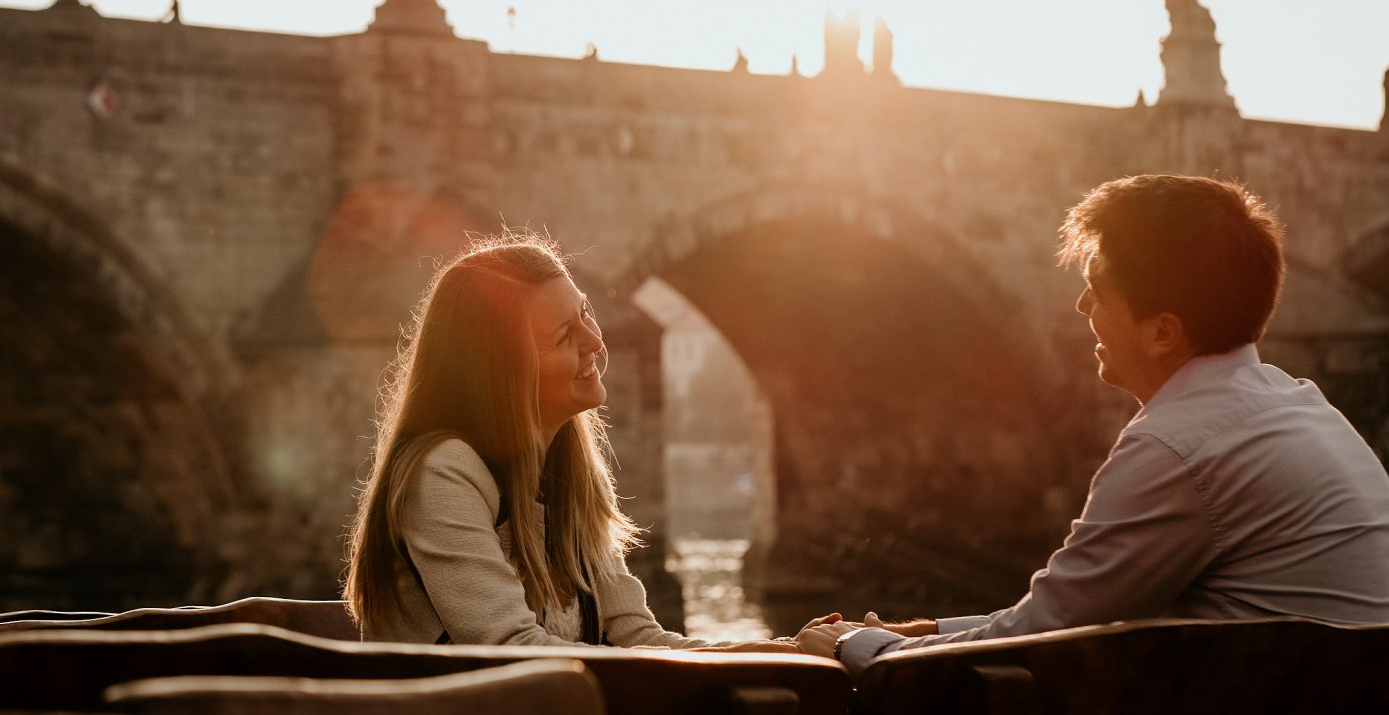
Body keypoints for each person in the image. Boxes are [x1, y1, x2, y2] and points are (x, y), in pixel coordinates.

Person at [799, 174, 1389, 674]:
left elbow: (1043, 634)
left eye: (1099, 289)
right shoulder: (1301, 405)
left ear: (1162, 332)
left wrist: (857, 646)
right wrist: (922, 629)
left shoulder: (1176, 447)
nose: (1083, 306)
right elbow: (1080, 609)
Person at [344, 231, 791, 649]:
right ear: (504, 372)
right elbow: (512, 653)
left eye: (585, 313)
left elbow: (639, 638)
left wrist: (789, 652)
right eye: (564, 336)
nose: (594, 341)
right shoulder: (443, 473)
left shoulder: (569, 475)